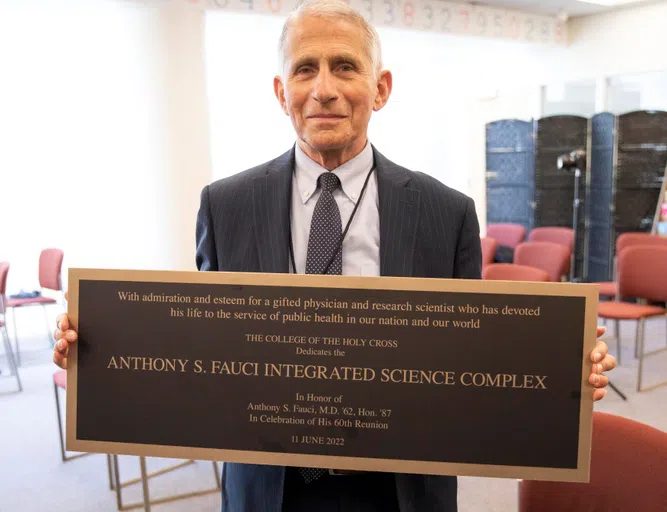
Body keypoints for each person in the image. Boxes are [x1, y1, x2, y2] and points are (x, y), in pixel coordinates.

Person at [53, 0, 617, 510]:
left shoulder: (447, 213)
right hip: (268, 486)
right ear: (282, 92)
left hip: (400, 488)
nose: (324, 88)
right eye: (305, 68)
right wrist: (96, 348)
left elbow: (470, 355)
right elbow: (203, 341)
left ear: (381, 88)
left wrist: (561, 368)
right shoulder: (224, 205)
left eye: (345, 66)